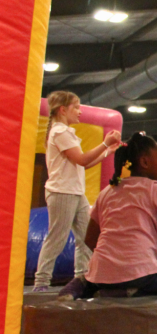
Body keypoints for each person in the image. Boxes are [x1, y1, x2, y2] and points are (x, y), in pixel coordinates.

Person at [61, 133, 157, 299]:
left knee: (104, 276)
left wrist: (113, 260)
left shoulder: (106, 192)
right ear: (144, 162)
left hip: (100, 271)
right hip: (140, 273)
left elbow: (89, 239)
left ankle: (87, 284)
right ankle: (128, 290)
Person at [35, 91, 121, 293]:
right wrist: (105, 143)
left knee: (86, 238)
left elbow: (84, 164)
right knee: (57, 238)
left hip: (75, 192)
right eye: (76, 107)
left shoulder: (65, 132)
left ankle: (82, 277)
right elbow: (82, 160)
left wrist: (107, 152)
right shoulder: (60, 132)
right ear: (63, 110)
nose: (80, 112)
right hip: (62, 192)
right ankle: (41, 281)